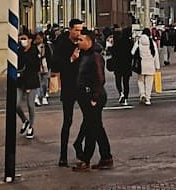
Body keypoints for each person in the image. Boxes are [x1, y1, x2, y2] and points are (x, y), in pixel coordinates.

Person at [73, 27, 112, 169]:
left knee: (91, 128)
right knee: (96, 127)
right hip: (85, 96)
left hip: (94, 96)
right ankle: (106, 157)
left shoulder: (95, 56)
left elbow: (100, 78)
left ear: (89, 41)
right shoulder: (83, 55)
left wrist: (94, 97)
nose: (78, 42)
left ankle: (86, 159)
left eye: (81, 40)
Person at [50, 18, 86, 167]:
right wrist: (71, 59)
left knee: (89, 117)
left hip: (82, 85)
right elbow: (55, 65)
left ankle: (78, 144)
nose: (79, 33)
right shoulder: (62, 43)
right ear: (70, 29)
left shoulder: (82, 42)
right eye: (76, 30)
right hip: (69, 86)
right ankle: (63, 156)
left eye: (81, 30)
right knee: (67, 121)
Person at [16, 29, 43, 139]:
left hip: (31, 82)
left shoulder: (34, 52)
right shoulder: (19, 51)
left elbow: (36, 68)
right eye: (21, 39)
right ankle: (24, 120)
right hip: (20, 81)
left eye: (24, 39)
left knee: (30, 104)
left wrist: (28, 85)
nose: (22, 41)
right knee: (16, 104)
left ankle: (31, 126)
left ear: (30, 40)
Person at [109, 23, 134, 105]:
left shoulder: (117, 41)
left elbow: (112, 51)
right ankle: (126, 98)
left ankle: (121, 93)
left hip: (117, 63)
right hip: (127, 64)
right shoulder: (130, 42)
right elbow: (132, 53)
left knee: (118, 79)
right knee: (126, 82)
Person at [134, 26, 159, 106]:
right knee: (149, 82)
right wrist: (157, 66)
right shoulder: (152, 43)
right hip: (150, 65)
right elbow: (156, 55)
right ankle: (148, 98)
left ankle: (142, 94)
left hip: (141, 65)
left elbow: (132, 52)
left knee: (140, 80)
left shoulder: (138, 42)